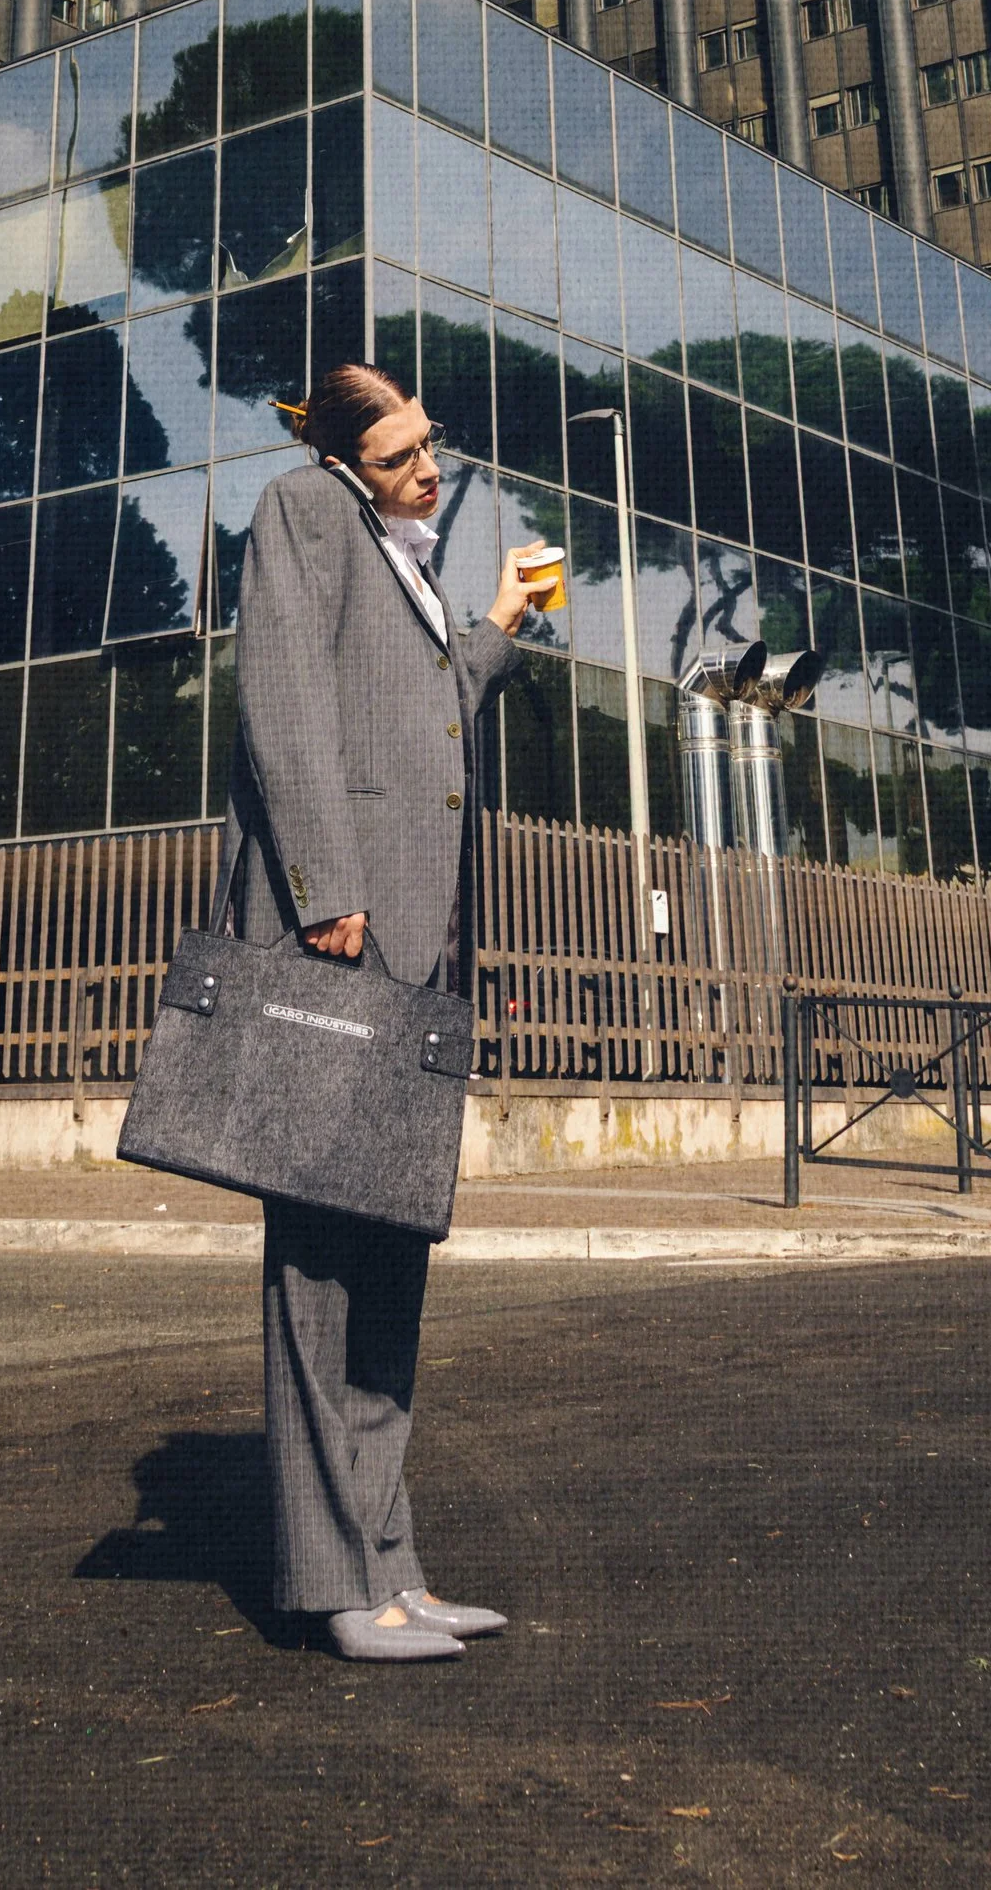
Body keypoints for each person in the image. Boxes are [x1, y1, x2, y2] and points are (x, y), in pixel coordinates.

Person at [218, 361, 551, 1663]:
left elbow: (428, 714)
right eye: (402, 449)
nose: (428, 465)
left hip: (419, 946)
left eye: (432, 443)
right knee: (317, 1273)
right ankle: (334, 1581)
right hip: (340, 936)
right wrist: (324, 883)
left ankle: (396, 1569)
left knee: (390, 1258)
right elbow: (282, 695)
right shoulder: (301, 510)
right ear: (346, 455)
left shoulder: (398, 556)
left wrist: (503, 623)